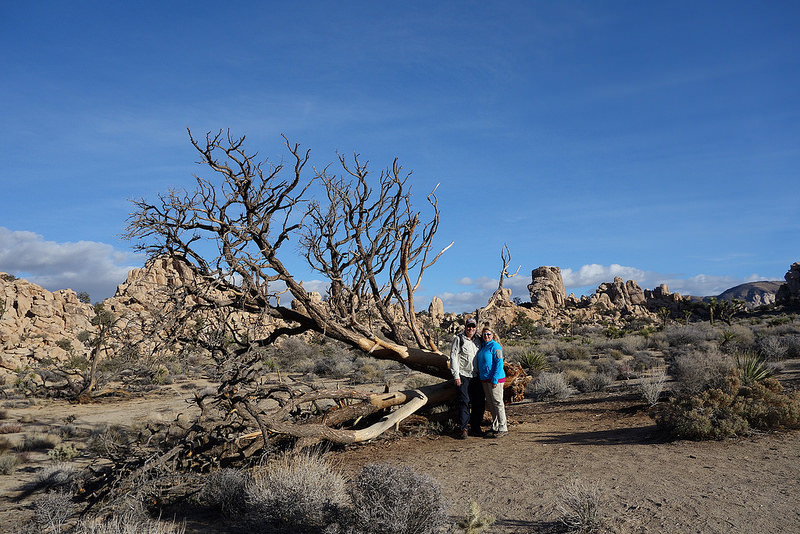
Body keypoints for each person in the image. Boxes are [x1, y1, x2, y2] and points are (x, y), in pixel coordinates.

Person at [450, 318, 485, 439]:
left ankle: (476, 427)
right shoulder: (459, 339)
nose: (471, 328)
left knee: (479, 402)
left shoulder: (479, 340)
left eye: (473, 326)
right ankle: (464, 428)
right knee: (464, 402)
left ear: (476, 328)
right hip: (463, 375)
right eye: (469, 326)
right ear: (465, 327)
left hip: (476, 376)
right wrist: (456, 376)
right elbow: (453, 357)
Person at [477, 326, 507, 438]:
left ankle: (503, 427)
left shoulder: (495, 346)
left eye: (488, 334)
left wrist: (495, 379)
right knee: (491, 403)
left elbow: (499, 364)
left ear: (492, 335)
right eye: (484, 334)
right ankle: (495, 426)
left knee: (498, 403)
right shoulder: (484, 346)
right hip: (485, 379)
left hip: (495, 379)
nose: (486, 336)